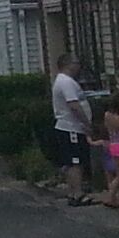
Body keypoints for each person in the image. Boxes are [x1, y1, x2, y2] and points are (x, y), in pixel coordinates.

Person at [50, 63, 97, 202]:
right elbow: (74, 105)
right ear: (69, 64)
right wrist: (86, 123)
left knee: (72, 161)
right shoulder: (66, 82)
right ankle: (78, 194)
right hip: (71, 128)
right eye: (76, 63)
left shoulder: (63, 80)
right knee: (75, 161)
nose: (79, 66)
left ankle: (73, 193)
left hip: (70, 127)